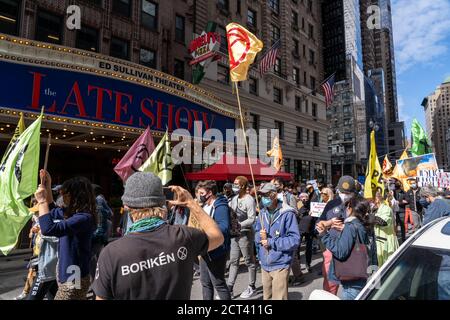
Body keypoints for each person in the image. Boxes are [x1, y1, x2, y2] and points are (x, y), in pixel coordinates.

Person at [92, 172, 224, 300]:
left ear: (126, 206)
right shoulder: (183, 236)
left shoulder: (111, 253)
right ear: (162, 202)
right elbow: (217, 237)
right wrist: (191, 203)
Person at [35, 170, 97, 300]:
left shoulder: (83, 218)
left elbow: (48, 228)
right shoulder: (75, 213)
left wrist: (41, 201)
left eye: (65, 194)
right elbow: (52, 209)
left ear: (76, 196)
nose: (63, 198)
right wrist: (47, 184)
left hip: (73, 280)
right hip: (71, 277)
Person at [316, 198, 371, 300]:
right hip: (360, 275)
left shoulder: (350, 226)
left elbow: (340, 251)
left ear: (350, 208)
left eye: (346, 207)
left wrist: (324, 235)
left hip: (352, 281)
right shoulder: (361, 224)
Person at [255, 183, 300, 300]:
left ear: (274, 195)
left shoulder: (287, 214)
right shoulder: (262, 213)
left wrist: (271, 242)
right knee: (267, 297)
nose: (263, 198)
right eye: (261, 195)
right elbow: (256, 234)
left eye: (266, 195)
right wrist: (260, 238)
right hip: (265, 264)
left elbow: (294, 240)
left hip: (280, 263)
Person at [317, 176, 356, 295]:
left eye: (348, 193)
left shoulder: (359, 204)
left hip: (352, 250)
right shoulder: (331, 204)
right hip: (332, 248)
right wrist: (330, 223)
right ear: (338, 190)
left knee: (351, 288)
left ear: (353, 192)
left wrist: (348, 228)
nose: (345, 195)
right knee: (330, 284)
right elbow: (318, 225)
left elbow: (365, 228)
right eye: (343, 192)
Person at [195, 180, 231, 300]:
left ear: (209, 193)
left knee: (218, 283)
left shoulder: (220, 206)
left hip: (217, 250)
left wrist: (207, 234)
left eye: (201, 193)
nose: (199, 195)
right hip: (206, 249)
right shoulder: (205, 206)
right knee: (205, 282)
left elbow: (224, 227)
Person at [227, 176, 257, 299]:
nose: (234, 186)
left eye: (236, 184)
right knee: (233, 261)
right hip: (234, 235)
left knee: (249, 261)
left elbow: (252, 218)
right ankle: (229, 288)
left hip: (245, 234)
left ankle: (252, 286)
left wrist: (239, 225)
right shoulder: (234, 199)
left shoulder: (249, 200)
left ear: (243, 186)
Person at [373, 192, 398, 267]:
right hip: (379, 241)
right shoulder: (375, 209)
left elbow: (383, 222)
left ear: (377, 199)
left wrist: (370, 217)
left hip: (387, 240)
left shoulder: (386, 208)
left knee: (388, 265)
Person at [389, 178, 408, 243]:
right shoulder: (391, 192)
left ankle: (403, 238)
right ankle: (395, 239)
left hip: (401, 211)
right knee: (394, 225)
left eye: (398, 182)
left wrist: (398, 202)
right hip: (394, 211)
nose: (396, 183)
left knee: (402, 225)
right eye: (395, 182)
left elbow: (407, 201)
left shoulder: (403, 192)